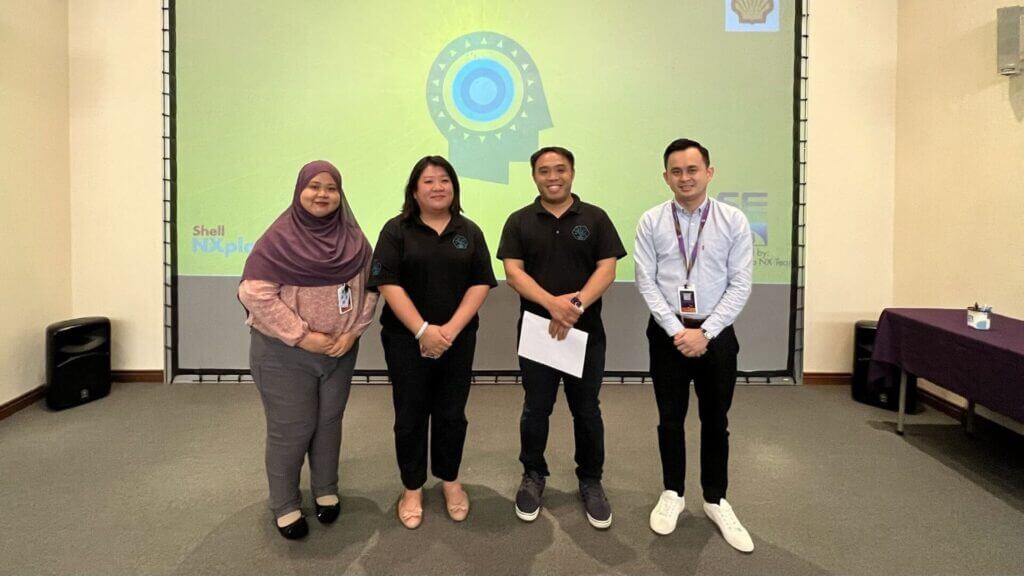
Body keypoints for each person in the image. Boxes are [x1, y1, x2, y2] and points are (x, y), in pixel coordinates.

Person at [238, 160, 376, 540]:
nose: (322, 194)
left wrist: (353, 333)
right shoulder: (278, 240)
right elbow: (254, 293)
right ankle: (284, 504)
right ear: (300, 190)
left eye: (331, 188)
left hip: (340, 352)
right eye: (314, 186)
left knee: (329, 423)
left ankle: (325, 488)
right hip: (284, 355)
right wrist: (302, 336)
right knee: (291, 428)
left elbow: (371, 288)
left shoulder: (354, 239)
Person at [634, 138, 754, 552]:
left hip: (716, 336)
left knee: (715, 420)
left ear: (709, 172)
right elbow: (646, 281)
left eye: (692, 170)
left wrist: (707, 331)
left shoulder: (733, 220)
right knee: (670, 418)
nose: (685, 178)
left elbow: (740, 283)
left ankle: (716, 499)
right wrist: (677, 330)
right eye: (676, 171)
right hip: (667, 333)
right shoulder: (651, 221)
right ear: (665, 177)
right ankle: (673, 492)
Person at [497, 146, 626, 529]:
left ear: (572, 172)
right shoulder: (519, 221)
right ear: (534, 176)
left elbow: (607, 268)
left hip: (585, 332)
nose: (552, 177)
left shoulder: (596, 218)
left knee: (586, 409)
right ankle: (533, 475)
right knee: (536, 408)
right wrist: (553, 304)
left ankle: (591, 480)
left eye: (560, 169)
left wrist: (576, 305)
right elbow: (513, 272)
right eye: (544, 171)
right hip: (538, 333)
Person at [368, 156, 497, 529]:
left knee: (452, 414)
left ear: (454, 187)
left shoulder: (469, 231)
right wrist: (423, 331)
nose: (438, 187)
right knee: (410, 415)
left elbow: (480, 282)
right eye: (428, 181)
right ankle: (412, 487)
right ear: (414, 190)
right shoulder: (396, 230)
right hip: (404, 340)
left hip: (458, 339)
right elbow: (387, 282)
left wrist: (449, 332)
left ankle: (450, 481)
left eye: (445, 180)